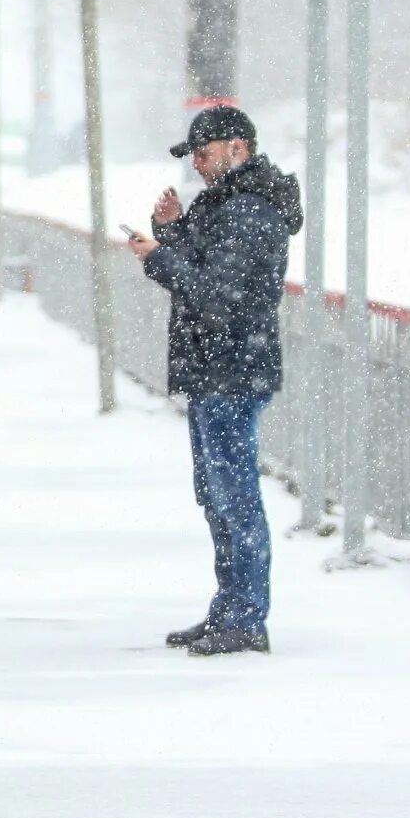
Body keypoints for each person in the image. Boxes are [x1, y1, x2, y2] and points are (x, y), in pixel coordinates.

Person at [125, 106, 303, 656]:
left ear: (238, 147)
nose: (199, 165)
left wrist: (159, 257)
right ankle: (230, 608)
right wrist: (171, 234)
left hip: (232, 369)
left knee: (235, 497)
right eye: (195, 157)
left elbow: (216, 295)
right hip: (216, 369)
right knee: (217, 495)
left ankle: (246, 616)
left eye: (204, 153)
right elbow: (207, 270)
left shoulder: (249, 210)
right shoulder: (227, 204)